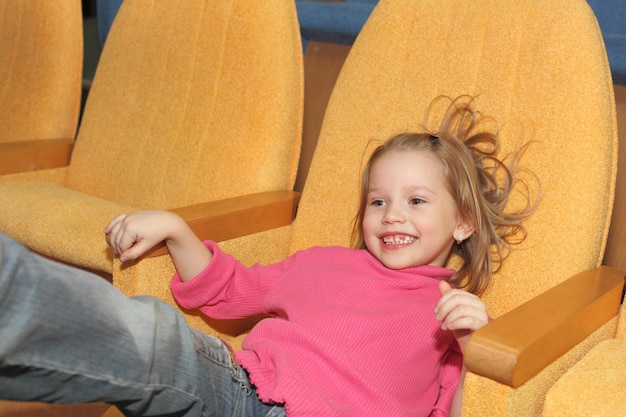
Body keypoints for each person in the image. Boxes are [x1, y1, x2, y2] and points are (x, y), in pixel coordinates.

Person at [0, 96, 537, 417]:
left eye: (416, 201)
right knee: (151, 335)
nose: (392, 215)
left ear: (463, 222)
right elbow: (230, 289)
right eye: (378, 201)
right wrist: (176, 229)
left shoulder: (450, 316)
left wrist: (474, 347)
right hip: (238, 393)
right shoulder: (323, 264)